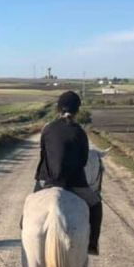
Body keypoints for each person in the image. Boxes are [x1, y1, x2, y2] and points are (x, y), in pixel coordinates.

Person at [34, 90, 103, 255]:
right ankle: (92, 244)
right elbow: (83, 160)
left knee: (30, 203)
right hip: (74, 183)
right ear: (77, 110)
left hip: (48, 181)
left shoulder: (48, 129)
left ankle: (24, 227)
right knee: (96, 204)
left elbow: (43, 153)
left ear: (58, 109)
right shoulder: (79, 131)